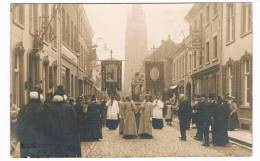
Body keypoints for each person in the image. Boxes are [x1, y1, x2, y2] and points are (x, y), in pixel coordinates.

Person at [43, 85, 81, 157]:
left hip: (53, 142)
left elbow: (45, 127)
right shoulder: (69, 108)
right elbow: (75, 125)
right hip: (67, 141)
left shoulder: (48, 108)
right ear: (64, 97)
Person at [16, 87, 45, 157]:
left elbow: (19, 123)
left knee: (25, 155)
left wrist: (19, 136)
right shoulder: (42, 108)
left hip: (25, 139)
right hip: (38, 139)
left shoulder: (23, 108)